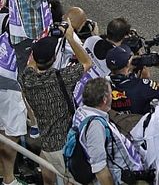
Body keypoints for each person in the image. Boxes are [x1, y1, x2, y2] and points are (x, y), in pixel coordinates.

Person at [19, 23, 93, 185]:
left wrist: (45, 38)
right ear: (54, 59)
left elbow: (32, 62)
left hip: (46, 141)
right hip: (64, 145)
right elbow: (87, 62)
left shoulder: (27, 78)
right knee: (71, 180)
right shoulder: (61, 78)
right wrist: (70, 37)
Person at [70, 78, 145, 185]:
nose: (112, 95)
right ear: (105, 99)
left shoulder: (82, 111)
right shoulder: (95, 126)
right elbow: (100, 168)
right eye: (111, 93)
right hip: (122, 179)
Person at [107, 46, 159, 117]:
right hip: (140, 123)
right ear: (128, 64)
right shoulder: (141, 87)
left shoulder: (103, 84)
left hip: (119, 122)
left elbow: (145, 76)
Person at [0, 22, 27, 185]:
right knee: (10, 138)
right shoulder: (24, 47)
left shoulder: (3, 36)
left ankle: (4, 175)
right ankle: (9, 179)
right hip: (12, 96)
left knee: (3, 136)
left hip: (5, 92)